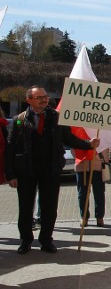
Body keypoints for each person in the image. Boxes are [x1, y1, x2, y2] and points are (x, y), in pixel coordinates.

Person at [5, 86, 98, 254]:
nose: (44, 99)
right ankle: (25, 240)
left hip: (51, 170)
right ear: (30, 100)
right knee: (25, 208)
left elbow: (69, 138)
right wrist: (10, 174)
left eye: (45, 96)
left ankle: (46, 240)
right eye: (39, 97)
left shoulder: (57, 117)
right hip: (26, 171)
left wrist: (88, 144)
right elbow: (10, 149)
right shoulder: (19, 120)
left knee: (49, 208)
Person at [74, 144, 107, 227]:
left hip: (97, 166)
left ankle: (99, 216)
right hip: (81, 165)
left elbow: (105, 148)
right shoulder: (79, 131)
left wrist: (103, 161)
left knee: (99, 192)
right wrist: (80, 156)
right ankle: (84, 217)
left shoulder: (101, 132)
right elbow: (73, 147)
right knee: (82, 194)